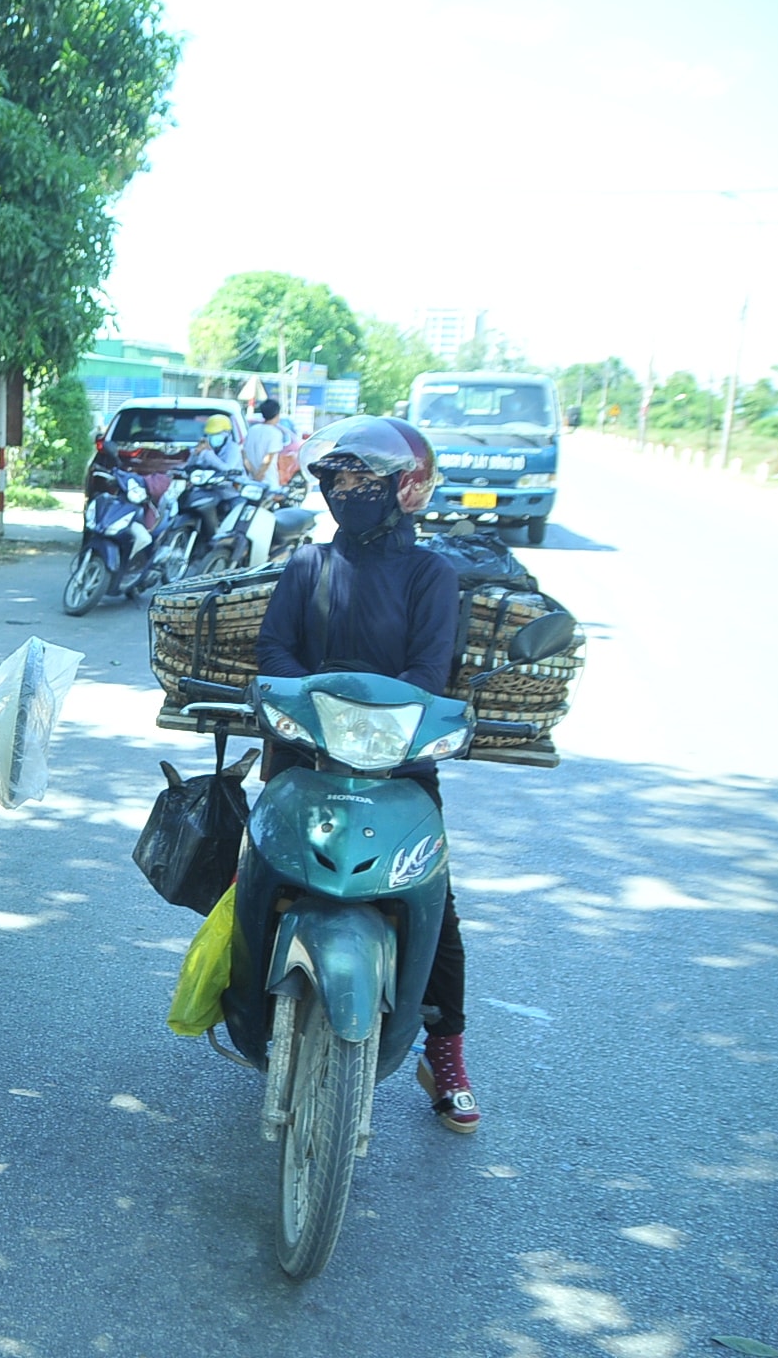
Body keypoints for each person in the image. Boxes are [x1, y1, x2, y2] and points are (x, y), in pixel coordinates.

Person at [253, 415, 481, 1134]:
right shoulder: (307, 566)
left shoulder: (430, 576)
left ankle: (445, 1053)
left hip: (399, 766)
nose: (347, 492)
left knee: (433, 908)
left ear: (405, 490)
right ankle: (248, 1002)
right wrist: (318, 709)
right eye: (338, 480)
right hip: (305, 756)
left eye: (364, 481)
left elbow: (427, 670)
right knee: (254, 875)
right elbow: (274, 651)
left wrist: (372, 722)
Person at [242, 398, 292, 487]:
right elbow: (269, 458)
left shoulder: (253, 429)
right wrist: (259, 474)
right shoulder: (275, 433)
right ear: (277, 414)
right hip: (267, 480)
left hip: (250, 479)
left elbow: (244, 453)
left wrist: (252, 472)